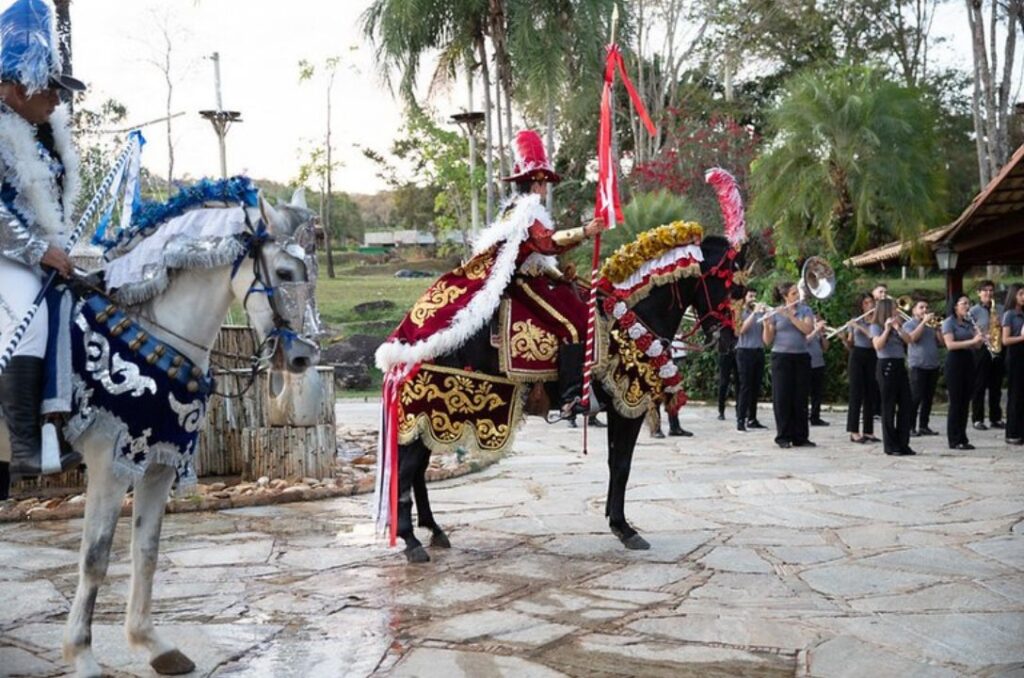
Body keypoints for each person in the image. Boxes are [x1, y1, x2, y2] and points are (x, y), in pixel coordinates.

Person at [376, 129, 604, 420]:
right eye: (544, 181)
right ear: (535, 182)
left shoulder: (519, 208)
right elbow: (545, 241)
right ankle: (573, 395)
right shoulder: (526, 209)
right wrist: (585, 231)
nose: (545, 188)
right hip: (524, 282)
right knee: (572, 324)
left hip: (535, 276)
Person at [0, 0, 86, 496]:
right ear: (16, 88)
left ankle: (69, 418)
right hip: (5, 253)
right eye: (49, 88)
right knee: (28, 316)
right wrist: (37, 250)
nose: (57, 99)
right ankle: (26, 447)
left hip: (34, 250)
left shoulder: (45, 132)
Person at [763, 281, 815, 449]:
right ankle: (783, 436)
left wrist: (791, 316)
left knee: (800, 397)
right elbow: (767, 340)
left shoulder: (805, 310)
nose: (797, 296)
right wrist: (766, 324)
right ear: (785, 296)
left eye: (797, 293)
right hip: (781, 357)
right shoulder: (775, 312)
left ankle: (801, 436)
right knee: (782, 397)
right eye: (793, 294)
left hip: (801, 357)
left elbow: (807, 329)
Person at [870, 298, 915, 456]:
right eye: (894, 309)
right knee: (888, 406)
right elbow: (877, 345)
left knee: (906, 404)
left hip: (899, 364)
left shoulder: (899, 324)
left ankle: (903, 442)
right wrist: (887, 329)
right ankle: (890, 445)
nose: (897, 311)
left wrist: (899, 328)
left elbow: (909, 340)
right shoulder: (876, 326)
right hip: (886, 365)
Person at [943, 295, 987, 450]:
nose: (967, 306)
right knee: (956, 402)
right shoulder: (949, 323)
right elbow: (950, 345)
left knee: (965, 401)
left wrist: (980, 338)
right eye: (964, 303)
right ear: (955, 306)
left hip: (968, 360)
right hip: (955, 362)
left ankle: (962, 436)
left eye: (969, 303)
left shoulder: (969, 323)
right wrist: (972, 341)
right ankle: (954, 439)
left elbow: (976, 346)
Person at [842, 294, 879, 444]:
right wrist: (843, 338)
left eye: (871, 302)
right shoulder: (857, 320)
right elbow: (850, 344)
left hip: (873, 355)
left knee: (871, 393)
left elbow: (872, 337)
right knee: (856, 394)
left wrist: (859, 327)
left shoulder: (877, 322)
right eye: (866, 303)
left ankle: (869, 431)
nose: (870, 305)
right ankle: (854, 431)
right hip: (857, 355)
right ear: (862, 306)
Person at [904, 299, 944, 437]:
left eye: (927, 307)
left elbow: (942, 343)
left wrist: (938, 329)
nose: (925, 310)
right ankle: (909, 427)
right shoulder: (909, 324)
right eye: (921, 307)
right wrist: (923, 322)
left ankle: (924, 426)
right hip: (918, 366)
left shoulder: (931, 325)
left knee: (928, 398)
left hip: (932, 365)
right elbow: (913, 338)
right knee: (915, 397)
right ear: (914, 310)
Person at [969, 280, 1005, 430]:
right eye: (985, 290)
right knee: (979, 385)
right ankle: (977, 419)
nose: (988, 293)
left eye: (991, 290)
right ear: (979, 293)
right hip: (982, 350)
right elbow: (969, 331)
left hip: (998, 349)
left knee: (996, 386)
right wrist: (982, 335)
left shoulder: (1001, 309)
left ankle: (995, 418)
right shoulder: (973, 311)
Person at [735, 289, 767, 432]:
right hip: (744, 351)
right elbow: (741, 329)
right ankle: (741, 419)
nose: (753, 298)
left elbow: (765, 336)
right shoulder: (739, 312)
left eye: (755, 296)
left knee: (755, 387)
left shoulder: (760, 313)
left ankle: (752, 419)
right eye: (750, 296)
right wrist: (754, 313)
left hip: (758, 351)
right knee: (745, 387)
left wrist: (767, 317)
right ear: (744, 298)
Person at [1001, 283, 1024, 445]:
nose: (1023, 297)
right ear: (1014, 295)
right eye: (1021, 294)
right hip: (1015, 355)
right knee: (1015, 394)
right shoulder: (1009, 314)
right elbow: (1005, 340)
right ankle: (1012, 432)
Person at [807, 312, 829, 427]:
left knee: (817, 393)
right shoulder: (805, 330)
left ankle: (815, 417)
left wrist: (821, 335)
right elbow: (805, 341)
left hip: (819, 364)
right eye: (815, 320)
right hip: (806, 365)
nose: (818, 322)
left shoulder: (818, 333)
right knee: (804, 393)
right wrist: (815, 330)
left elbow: (825, 348)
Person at [715, 326, 738, 421]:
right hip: (724, 351)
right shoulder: (723, 316)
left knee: (739, 381)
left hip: (737, 350)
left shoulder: (739, 314)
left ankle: (739, 410)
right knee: (723, 382)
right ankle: (721, 411)